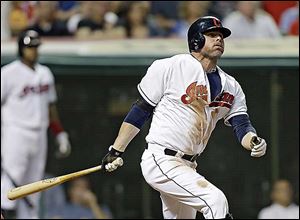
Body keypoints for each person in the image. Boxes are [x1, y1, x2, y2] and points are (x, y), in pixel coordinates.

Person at [101, 16, 267, 219]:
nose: (219, 39)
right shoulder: (171, 66)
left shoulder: (231, 85)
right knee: (215, 201)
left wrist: (254, 141)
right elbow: (141, 110)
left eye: (221, 36)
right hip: (161, 158)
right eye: (212, 35)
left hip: (188, 165)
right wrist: (116, 149)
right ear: (196, 39)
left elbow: (241, 124)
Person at [1, 30, 71, 219]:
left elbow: (50, 107)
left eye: (35, 47)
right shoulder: (8, 73)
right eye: (29, 47)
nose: (33, 51)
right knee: (10, 182)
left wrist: (59, 133)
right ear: (21, 48)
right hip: (16, 131)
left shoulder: (45, 72)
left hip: (39, 133)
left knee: (34, 186)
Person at [46, 177, 112, 219]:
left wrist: (93, 203)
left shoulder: (101, 208)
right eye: (78, 186)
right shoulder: (60, 209)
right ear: (71, 190)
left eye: (85, 187)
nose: (82, 190)